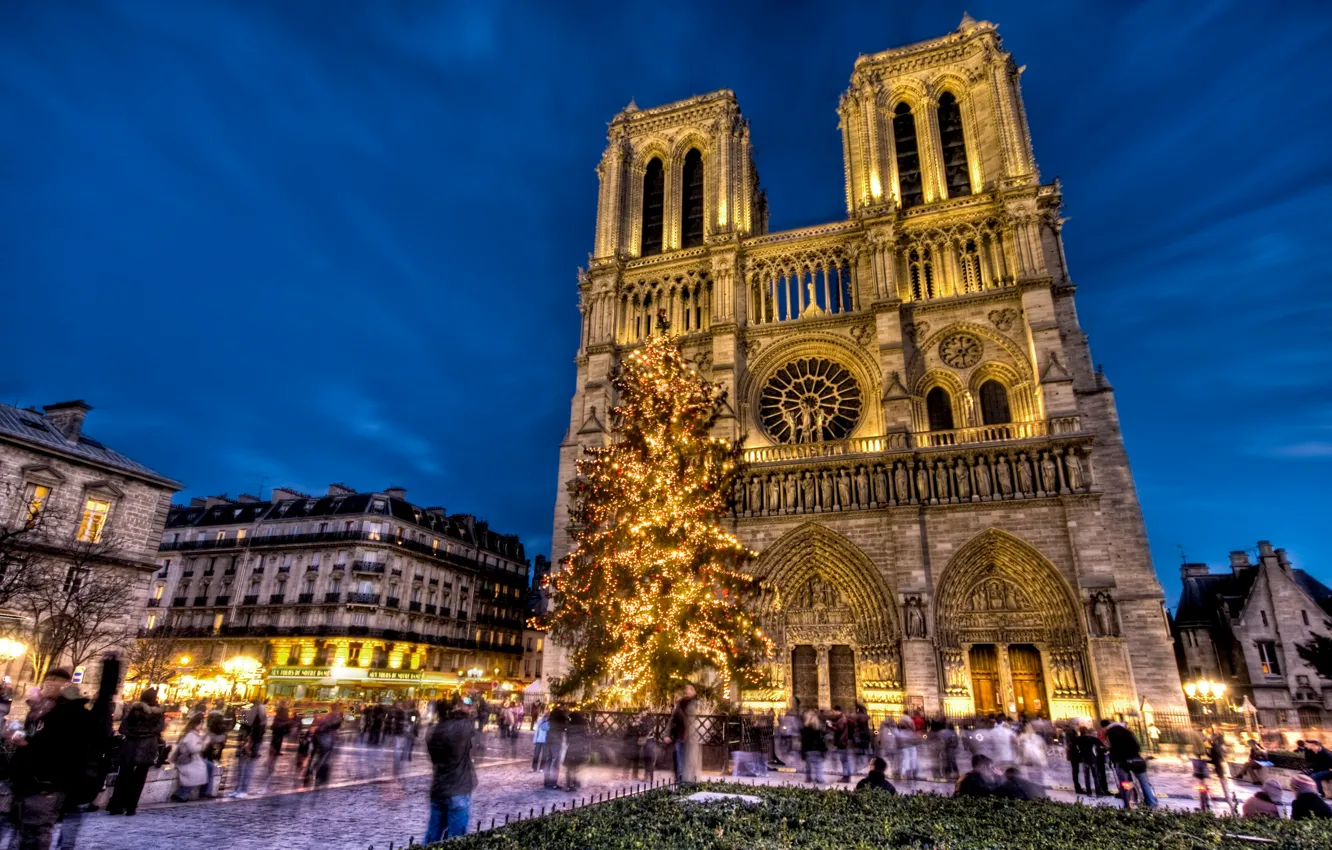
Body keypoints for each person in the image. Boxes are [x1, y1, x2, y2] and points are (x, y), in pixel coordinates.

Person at [425, 697, 476, 843]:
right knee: (456, 839)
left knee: (432, 835)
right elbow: (473, 745)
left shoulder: (433, 731)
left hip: (438, 787)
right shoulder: (463, 728)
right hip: (458, 787)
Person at [107, 687, 165, 816]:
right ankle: (131, 807)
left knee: (123, 776)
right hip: (147, 748)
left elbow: (123, 728)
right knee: (139, 778)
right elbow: (159, 728)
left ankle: (116, 805)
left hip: (130, 746)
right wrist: (147, 733)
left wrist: (134, 733)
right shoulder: (158, 713)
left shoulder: (134, 710)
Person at [1102, 719, 1156, 808]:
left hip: (1121, 761)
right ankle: (1151, 803)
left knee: (1125, 783)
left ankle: (1127, 804)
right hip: (1136, 760)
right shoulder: (1129, 733)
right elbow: (1138, 746)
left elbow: (1107, 747)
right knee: (1144, 782)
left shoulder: (1110, 735)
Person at [230, 698, 267, 798]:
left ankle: (243, 789)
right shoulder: (249, 714)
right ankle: (238, 789)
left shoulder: (258, 717)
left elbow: (258, 731)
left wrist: (250, 743)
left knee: (247, 768)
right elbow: (241, 727)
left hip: (251, 743)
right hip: (245, 742)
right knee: (241, 767)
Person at [169, 715, 209, 803]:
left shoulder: (191, 734)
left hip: (190, 761)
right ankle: (180, 794)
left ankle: (182, 794)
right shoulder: (191, 735)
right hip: (187, 762)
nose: (202, 727)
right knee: (198, 774)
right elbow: (193, 749)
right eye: (201, 725)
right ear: (195, 725)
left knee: (202, 770)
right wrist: (204, 743)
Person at [305, 702, 344, 787]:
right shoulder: (333, 717)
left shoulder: (329, 716)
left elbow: (322, 726)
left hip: (323, 739)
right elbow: (326, 727)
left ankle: (313, 773)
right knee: (323, 758)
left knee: (319, 757)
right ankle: (318, 775)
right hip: (325, 739)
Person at [664, 683, 697, 784]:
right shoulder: (680, 703)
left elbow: (691, 720)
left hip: (690, 738)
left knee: (689, 761)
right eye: (686, 689)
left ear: (695, 692)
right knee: (679, 761)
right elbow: (672, 719)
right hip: (680, 736)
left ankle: (689, 781)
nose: (687, 691)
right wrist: (667, 734)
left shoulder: (696, 703)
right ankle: (680, 781)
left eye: (690, 689)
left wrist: (680, 712)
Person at [800, 710, 826, 785]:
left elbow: (804, 742)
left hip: (808, 750)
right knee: (819, 765)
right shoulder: (818, 729)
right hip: (817, 749)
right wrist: (823, 751)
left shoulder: (805, 729)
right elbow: (821, 741)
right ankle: (819, 778)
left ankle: (808, 778)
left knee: (808, 765)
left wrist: (803, 753)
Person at [267, 700, 292, 775]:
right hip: (280, 727)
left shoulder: (280, 711)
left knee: (276, 738)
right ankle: (275, 750)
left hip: (278, 727)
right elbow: (286, 719)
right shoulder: (284, 711)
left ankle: (274, 750)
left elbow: (278, 718)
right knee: (278, 738)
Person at [1064, 724, 1085, 794]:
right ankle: (1077, 787)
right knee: (1076, 771)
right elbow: (1074, 743)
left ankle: (1077, 787)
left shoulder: (1069, 734)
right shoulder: (1071, 733)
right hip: (1075, 755)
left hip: (1073, 755)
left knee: (1075, 771)